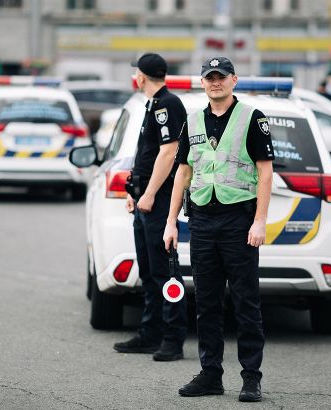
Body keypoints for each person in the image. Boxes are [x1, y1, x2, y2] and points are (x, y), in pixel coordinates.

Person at [163, 56, 274, 402]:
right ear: (202, 82)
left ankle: (251, 377)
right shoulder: (193, 121)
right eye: (209, 77)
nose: (215, 82)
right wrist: (170, 222)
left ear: (233, 80)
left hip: (238, 223)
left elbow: (265, 172)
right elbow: (182, 173)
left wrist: (259, 220)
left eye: (221, 77)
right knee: (207, 304)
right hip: (202, 221)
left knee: (245, 303)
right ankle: (210, 374)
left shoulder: (252, 119)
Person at [112, 53, 188, 361]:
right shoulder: (154, 105)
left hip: (158, 203)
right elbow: (147, 154)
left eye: (137, 74)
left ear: (141, 77)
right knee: (149, 271)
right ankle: (150, 334)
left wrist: (150, 194)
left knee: (165, 273)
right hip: (146, 201)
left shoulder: (168, 105)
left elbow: (169, 154)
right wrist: (136, 190)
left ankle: (172, 339)